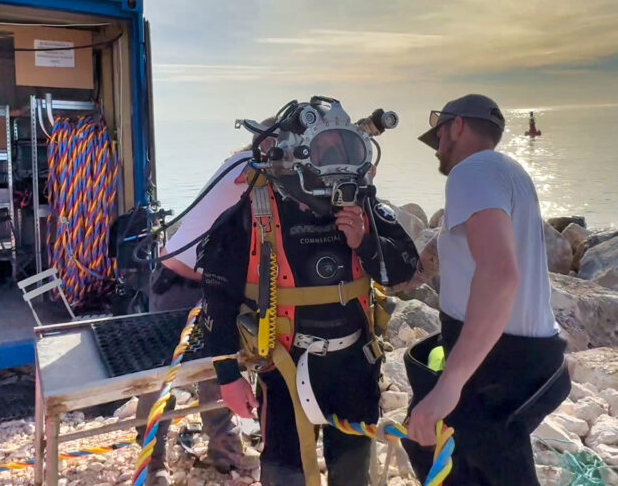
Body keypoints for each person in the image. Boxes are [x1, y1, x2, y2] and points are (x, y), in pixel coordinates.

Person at [198, 97, 418, 486]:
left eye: (343, 148)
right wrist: (228, 376)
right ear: (294, 153)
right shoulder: (255, 212)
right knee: (285, 471)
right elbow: (217, 295)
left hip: (354, 365)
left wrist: (365, 242)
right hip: (283, 366)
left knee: (352, 470)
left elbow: (403, 268)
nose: (335, 162)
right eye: (325, 149)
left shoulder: (362, 206)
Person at [404, 94, 570, 485]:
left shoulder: (471, 172)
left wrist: (450, 384)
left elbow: (499, 273)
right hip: (531, 355)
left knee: (434, 445)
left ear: (457, 126)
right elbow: (448, 258)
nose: (437, 149)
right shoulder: (509, 172)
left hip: (501, 361)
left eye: (439, 135)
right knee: (470, 460)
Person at [130, 119, 276, 486]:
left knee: (217, 367)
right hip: (177, 284)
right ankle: (153, 462)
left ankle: (225, 455)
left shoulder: (249, 167)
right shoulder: (248, 167)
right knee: (162, 378)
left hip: (208, 284)